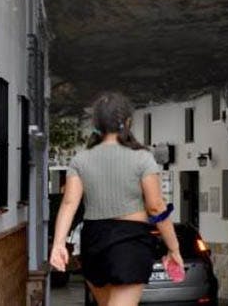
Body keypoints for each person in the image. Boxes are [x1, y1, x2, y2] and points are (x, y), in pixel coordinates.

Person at [49, 92, 182, 306]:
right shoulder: (142, 158)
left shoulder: (80, 160)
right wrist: (173, 248)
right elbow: (156, 207)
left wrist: (58, 244)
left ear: (96, 124)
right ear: (128, 122)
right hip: (130, 243)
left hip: (93, 241)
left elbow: (69, 204)